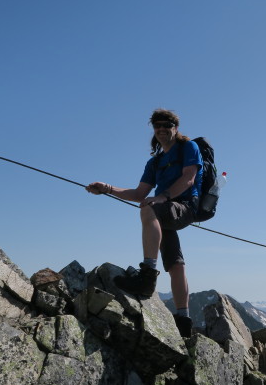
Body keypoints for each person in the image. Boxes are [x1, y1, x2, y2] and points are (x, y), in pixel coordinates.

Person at [86, 108, 203, 338]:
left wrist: (162, 197)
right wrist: (107, 189)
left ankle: (147, 275)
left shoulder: (189, 147)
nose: (161, 129)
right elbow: (140, 192)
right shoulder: (155, 162)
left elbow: (189, 178)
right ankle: (183, 318)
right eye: (157, 125)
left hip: (185, 206)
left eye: (166, 125)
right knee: (175, 264)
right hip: (165, 211)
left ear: (175, 128)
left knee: (149, 208)